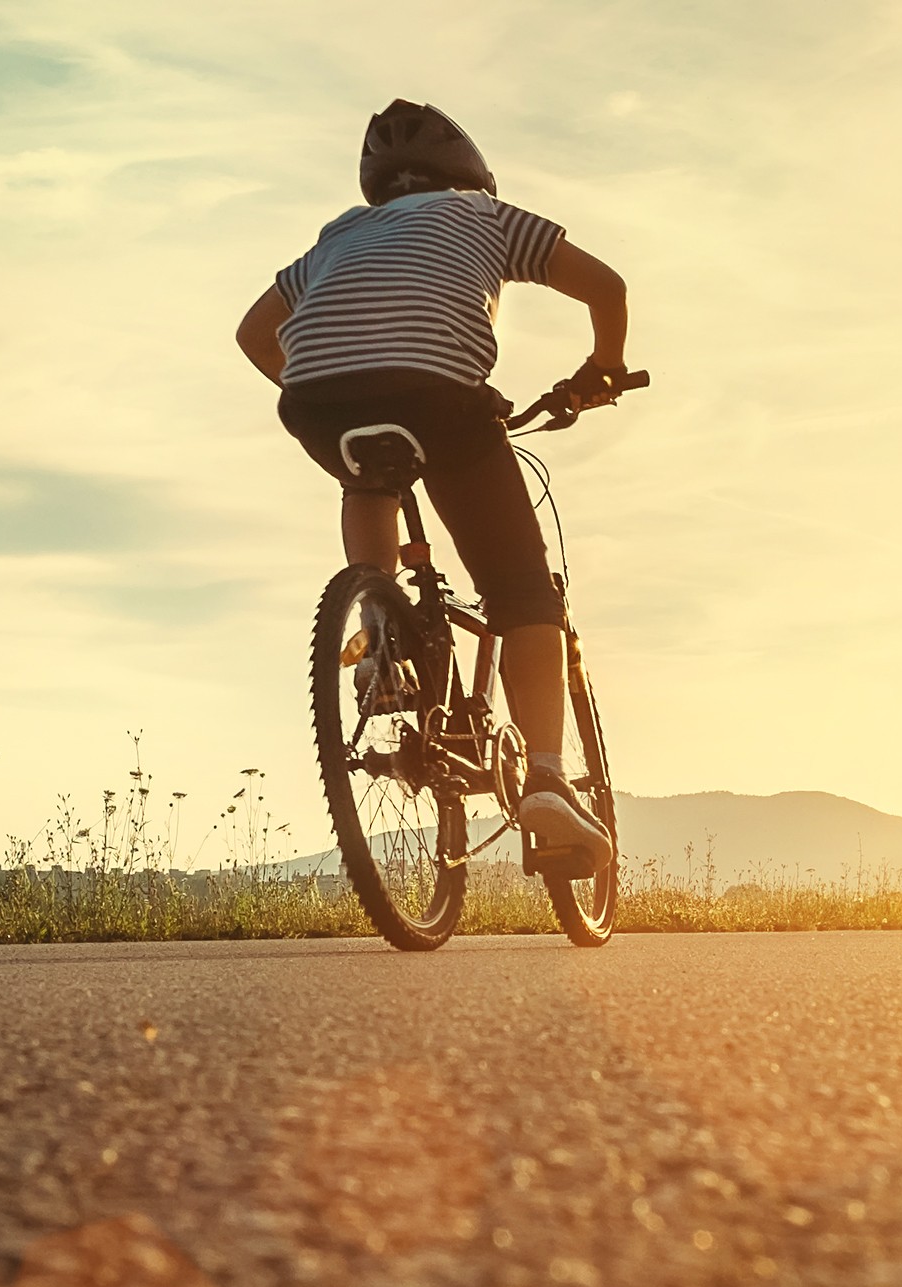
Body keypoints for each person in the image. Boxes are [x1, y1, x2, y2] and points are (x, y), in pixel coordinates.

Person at [235, 99, 628, 872]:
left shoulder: (339, 236)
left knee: (370, 476)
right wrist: (601, 371)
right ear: (471, 175)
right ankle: (546, 781)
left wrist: (335, 381)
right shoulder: (487, 217)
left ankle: (381, 621)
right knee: (522, 594)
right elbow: (606, 288)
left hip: (314, 400)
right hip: (439, 398)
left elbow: (253, 334)